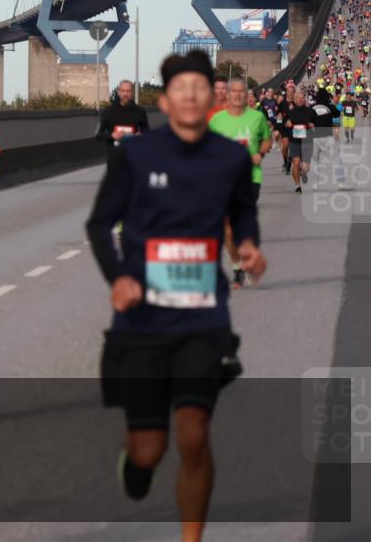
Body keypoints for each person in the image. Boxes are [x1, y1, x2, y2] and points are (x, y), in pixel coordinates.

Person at [86, 50, 265, 542]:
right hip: (142, 321)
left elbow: (243, 212)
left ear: (211, 99)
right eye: (180, 90)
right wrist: (118, 277)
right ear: (163, 101)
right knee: (150, 449)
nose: (190, 97)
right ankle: (138, 462)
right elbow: (99, 225)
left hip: (202, 320)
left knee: (193, 434)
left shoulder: (228, 157)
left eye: (200, 89)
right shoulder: (134, 156)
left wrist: (248, 246)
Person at [208, 78, 271, 288]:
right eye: (233, 91)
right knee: (227, 228)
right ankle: (237, 268)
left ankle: (250, 260)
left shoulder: (257, 117)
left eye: (241, 91)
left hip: (250, 177)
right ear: (227, 94)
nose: (237, 95)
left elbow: (267, 139)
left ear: (247, 95)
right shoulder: (217, 120)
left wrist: (260, 153)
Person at [94, 80, 150, 151]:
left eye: (128, 91)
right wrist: (112, 135)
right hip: (114, 155)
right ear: (119, 92)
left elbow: (147, 133)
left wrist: (141, 135)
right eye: (123, 91)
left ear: (132, 93)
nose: (125, 94)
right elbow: (97, 134)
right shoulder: (108, 111)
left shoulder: (140, 111)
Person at [285, 87, 317, 194]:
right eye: (298, 98)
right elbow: (285, 124)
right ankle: (297, 186)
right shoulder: (291, 112)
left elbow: (318, 124)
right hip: (294, 141)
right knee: (296, 162)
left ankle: (303, 173)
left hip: (307, 141)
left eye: (302, 98)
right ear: (294, 100)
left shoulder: (311, 111)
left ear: (305, 99)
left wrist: (314, 125)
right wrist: (287, 123)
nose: (300, 99)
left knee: (306, 168)